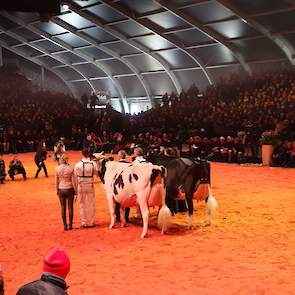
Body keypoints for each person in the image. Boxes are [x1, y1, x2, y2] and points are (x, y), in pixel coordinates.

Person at [74, 149, 97, 228]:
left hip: (81, 185)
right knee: (91, 203)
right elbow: (96, 173)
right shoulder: (93, 163)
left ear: (82, 154)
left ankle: (84, 222)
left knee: (82, 204)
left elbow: (75, 176)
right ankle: (92, 222)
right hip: (90, 184)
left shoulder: (78, 164)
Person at [56, 154, 77, 231]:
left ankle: (65, 225)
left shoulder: (57, 168)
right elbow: (74, 181)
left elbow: (56, 181)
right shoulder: (71, 168)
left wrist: (57, 190)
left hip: (61, 188)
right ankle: (70, 225)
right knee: (70, 208)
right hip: (70, 188)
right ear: (67, 159)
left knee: (63, 207)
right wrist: (76, 191)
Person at [115, 150, 130, 223]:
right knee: (127, 202)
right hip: (127, 185)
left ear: (119, 156)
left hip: (118, 186)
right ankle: (126, 218)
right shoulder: (129, 164)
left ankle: (118, 218)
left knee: (117, 202)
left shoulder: (116, 165)